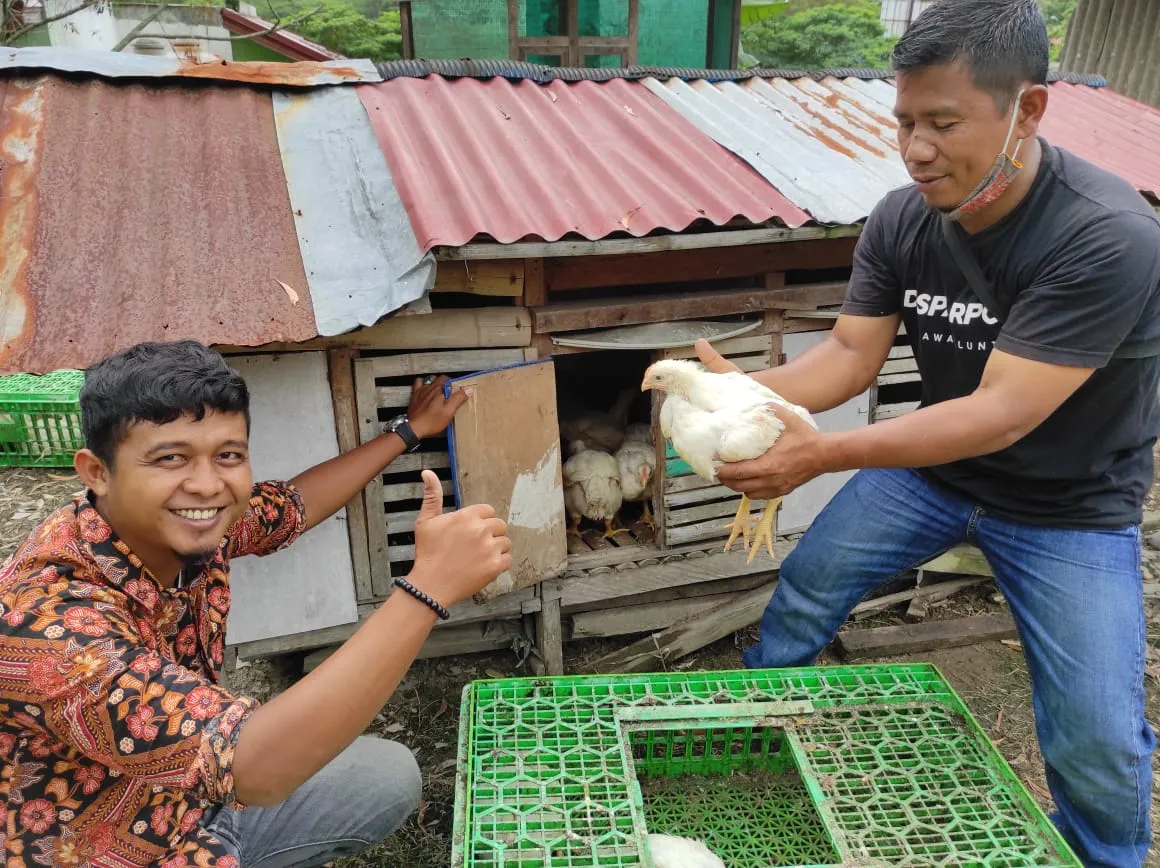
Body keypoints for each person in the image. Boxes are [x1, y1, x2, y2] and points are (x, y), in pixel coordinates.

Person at [694, 1, 1160, 865]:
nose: (915, 149)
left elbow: (1000, 410)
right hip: (939, 476)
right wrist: (737, 394)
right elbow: (845, 355)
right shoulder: (903, 217)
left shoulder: (1109, 234)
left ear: (1028, 109)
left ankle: (1104, 855)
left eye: (943, 123)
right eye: (904, 121)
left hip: (1071, 506)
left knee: (1095, 730)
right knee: (809, 581)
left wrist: (822, 454)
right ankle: (750, 729)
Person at [0, 339, 511, 867]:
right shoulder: (48, 624)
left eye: (229, 455)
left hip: (192, 802)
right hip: (106, 846)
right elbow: (255, 770)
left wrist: (407, 432)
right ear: (97, 471)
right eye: (170, 458)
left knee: (384, 776)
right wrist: (427, 589)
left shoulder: (177, 520)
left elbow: (291, 506)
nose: (206, 484)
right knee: (278, 761)